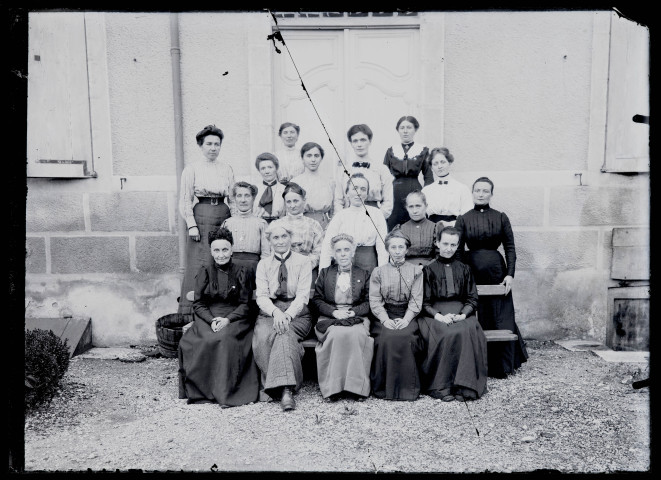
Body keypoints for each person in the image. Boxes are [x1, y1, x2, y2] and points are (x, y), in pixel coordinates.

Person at [454, 176, 529, 378]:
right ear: (472, 193)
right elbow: (458, 251)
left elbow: (510, 248)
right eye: (477, 190)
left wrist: (510, 275)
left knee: (500, 314)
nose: (480, 194)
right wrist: (463, 275)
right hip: (472, 270)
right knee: (478, 312)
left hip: (497, 270)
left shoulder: (501, 217)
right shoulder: (463, 218)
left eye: (485, 191)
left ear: (491, 194)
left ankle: (502, 365)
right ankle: (480, 363)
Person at [178, 227, 259, 407]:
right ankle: (204, 390)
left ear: (231, 249)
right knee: (203, 339)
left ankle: (226, 392)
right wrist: (211, 319)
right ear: (211, 251)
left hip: (236, 317)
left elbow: (246, 304)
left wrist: (227, 320)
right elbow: (198, 303)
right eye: (216, 250)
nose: (221, 254)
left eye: (225, 249)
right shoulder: (205, 271)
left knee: (224, 338)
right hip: (209, 315)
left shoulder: (242, 271)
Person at [419, 226, 488, 402]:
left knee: (468, 330)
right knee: (447, 332)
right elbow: (424, 302)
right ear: (437, 243)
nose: (448, 248)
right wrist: (439, 316)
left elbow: (472, 298)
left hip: (461, 313)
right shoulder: (428, 269)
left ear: (458, 246)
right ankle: (440, 385)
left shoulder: (465, 269)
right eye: (445, 244)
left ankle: (464, 385)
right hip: (435, 315)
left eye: (453, 244)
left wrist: (463, 315)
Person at [252, 223, 313, 411]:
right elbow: (261, 296)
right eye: (275, 238)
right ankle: (280, 386)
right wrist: (276, 312)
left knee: (284, 332)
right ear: (270, 242)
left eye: (283, 237)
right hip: (270, 311)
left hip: (297, 312)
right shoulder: (263, 264)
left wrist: (287, 315)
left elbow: (303, 295)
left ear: (290, 238)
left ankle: (285, 390)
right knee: (265, 337)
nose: (280, 241)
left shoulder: (303, 262)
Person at [178, 125, 235, 320]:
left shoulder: (226, 168)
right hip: (201, 215)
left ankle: (219, 309)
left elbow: (233, 199)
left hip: (223, 214)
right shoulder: (192, 169)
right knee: (199, 263)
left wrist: (233, 221)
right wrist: (192, 224)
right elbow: (185, 199)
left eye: (217, 144)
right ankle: (192, 314)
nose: (213, 148)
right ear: (201, 146)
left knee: (220, 260)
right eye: (209, 144)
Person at [312, 233, 373, 401]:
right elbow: (317, 300)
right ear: (334, 253)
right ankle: (334, 387)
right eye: (339, 250)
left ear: (353, 252)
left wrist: (354, 312)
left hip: (356, 317)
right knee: (337, 335)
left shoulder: (364, 274)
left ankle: (357, 388)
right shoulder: (325, 273)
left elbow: (369, 301)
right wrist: (334, 312)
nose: (343, 253)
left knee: (356, 335)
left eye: (347, 249)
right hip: (330, 317)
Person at [368, 229, 424, 401]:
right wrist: (385, 320)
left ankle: (408, 389)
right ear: (388, 249)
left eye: (401, 247)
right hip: (384, 314)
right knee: (386, 337)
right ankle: (385, 389)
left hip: (408, 314)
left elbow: (416, 299)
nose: (398, 251)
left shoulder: (416, 271)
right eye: (394, 247)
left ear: (407, 250)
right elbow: (375, 300)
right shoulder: (378, 272)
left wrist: (407, 319)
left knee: (406, 336)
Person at [320, 173, 388, 274]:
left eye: (363, 189)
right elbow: (327, 247)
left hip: (369, 262)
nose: (358, 192)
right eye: (354, 188)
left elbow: (382, 247)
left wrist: (383, 273)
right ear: (347, 193)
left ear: (367, 194)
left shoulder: (376, 214)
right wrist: (322, 275)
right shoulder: (340, 216)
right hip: (344, 263)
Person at [334, 124, 394, 221]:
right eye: (355, 141)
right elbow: (338, 201)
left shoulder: (381, 169)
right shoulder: (343, 170)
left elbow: (388, 203)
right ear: (351, 143)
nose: (359, 144)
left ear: (370, 141)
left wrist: (376, 219)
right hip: (349, 218)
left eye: (363, 140)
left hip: (374, 219)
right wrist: (343, 220)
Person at [383, 115, 432, 230]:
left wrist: (424, 196)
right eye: (402, 128)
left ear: (415, 130)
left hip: (415, 189)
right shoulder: (391, 150)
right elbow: (384, 176)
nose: (405, 131)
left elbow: (429, 176)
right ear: (398, 130)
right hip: (394, 193)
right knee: (394, 225)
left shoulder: (423, 150)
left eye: (409, 127)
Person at [270, 182, 324, 285]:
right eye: (288, 202)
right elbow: (270, 250)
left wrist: (305, 265)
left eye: (296, 201)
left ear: (304, 201)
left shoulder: (313, 224)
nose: (292, 205)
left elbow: (319, 250)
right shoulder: (276, 225)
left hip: (308, 271)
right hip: (282, 271)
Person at [220, 181, 270, 271]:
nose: (243, 200)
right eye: (239, 196)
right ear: (234, 199)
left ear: (253, 198)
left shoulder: (261, 223)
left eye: (247, 196)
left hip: (254, 268)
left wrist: (262, 271)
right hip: (231, 267)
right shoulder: (227, 223)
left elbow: (266, 254)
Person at [420, 147, 472, 227]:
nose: (439, 166)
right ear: (431, 167)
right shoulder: (426, 191)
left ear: (449, 163)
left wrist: (450, 224)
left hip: (454, 229)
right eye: (435, 163)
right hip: (431, 229)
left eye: (443, 162)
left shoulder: (462, 189)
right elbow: (421, 215)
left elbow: (467, 216)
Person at [290, 142, 335, 230]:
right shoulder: (295, 182)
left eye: (316, 156)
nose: (313, 159)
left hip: (323, 224)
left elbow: (334, 209)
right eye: (309, 156)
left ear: (321, 158)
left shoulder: (329, 181)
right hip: (300, 224)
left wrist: (331, 225)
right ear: (302, 158)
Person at [397, 191, 440, 269]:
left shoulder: (434, 228)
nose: (415, 211)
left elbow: (439, 255)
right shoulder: (401, 229)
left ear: (426, 206)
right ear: (406, 208)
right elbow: (396, 254)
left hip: (431, 270)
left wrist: (426, 267)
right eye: (411, 206)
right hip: (406, 270)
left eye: (418, 206)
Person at [253, 152, 286, 223]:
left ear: (276, 168)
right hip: (258, 224)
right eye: (263, 168)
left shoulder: (284, 189)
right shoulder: (254, 189)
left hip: (279, 225)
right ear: (259, 170)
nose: (267, 171)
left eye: (270, 167)